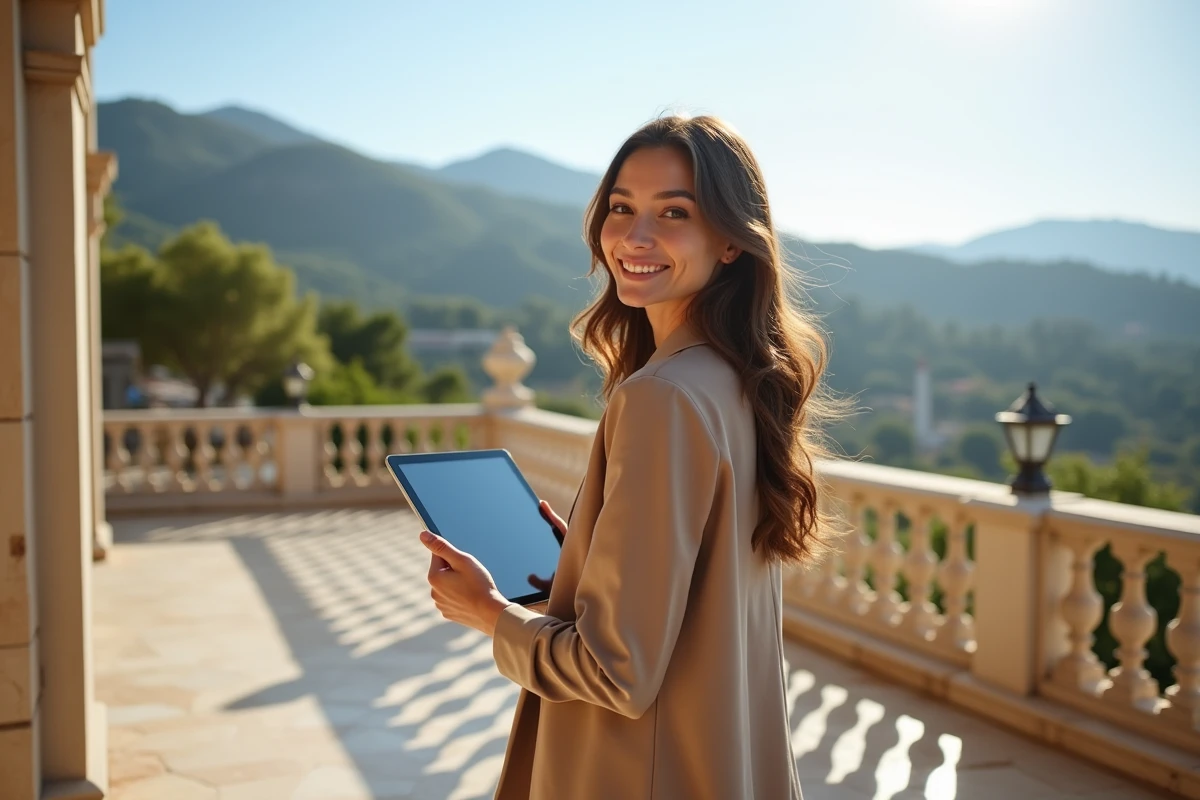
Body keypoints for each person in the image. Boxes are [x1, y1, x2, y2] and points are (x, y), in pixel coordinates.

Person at [418, 115, 837, 800]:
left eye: (674, 212)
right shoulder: (739, 382)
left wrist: (488, 611)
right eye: (621, 208)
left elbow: (616, 670)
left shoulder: (662, 398)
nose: (636, 237)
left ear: (731, 240)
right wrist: (587, 560)